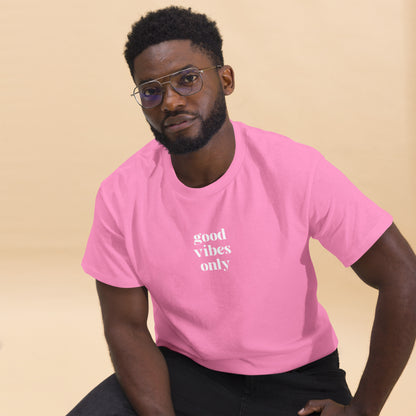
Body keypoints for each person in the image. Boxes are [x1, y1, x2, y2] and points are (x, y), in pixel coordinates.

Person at [68, 6, 416, 416]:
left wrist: (363, 410)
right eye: (151, 91)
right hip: (184, 373)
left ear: (226, 79)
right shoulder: (120, 194)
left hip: (298, 380)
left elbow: (403, 276)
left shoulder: (294, 168)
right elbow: (125, 325)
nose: (171, 101)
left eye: (187, 79)